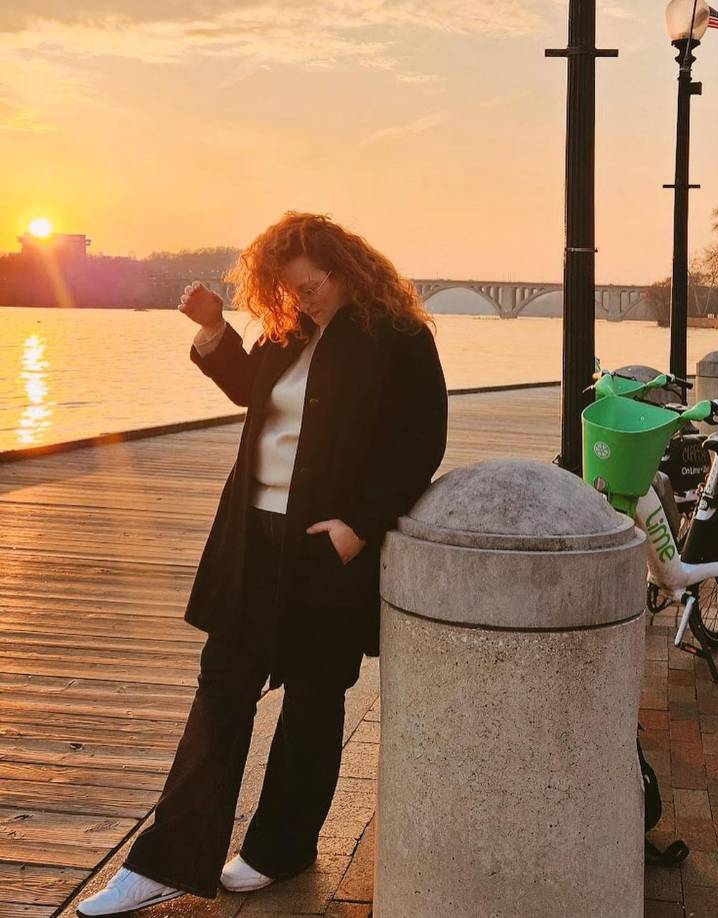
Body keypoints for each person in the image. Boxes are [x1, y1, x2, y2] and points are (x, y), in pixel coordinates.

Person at [76, 212, 449, 916]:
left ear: (345, 268)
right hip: (252, 541)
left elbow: (418, 442)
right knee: (222, 688)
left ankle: (281, 849)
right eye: (290, 288)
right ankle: (165, 861)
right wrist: (215, 331)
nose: (302, 297)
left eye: (311, 285)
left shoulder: (398, 339)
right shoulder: (286, 332)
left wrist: (357, 527)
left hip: (325, 545)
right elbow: (252, 392)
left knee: (312, 700)